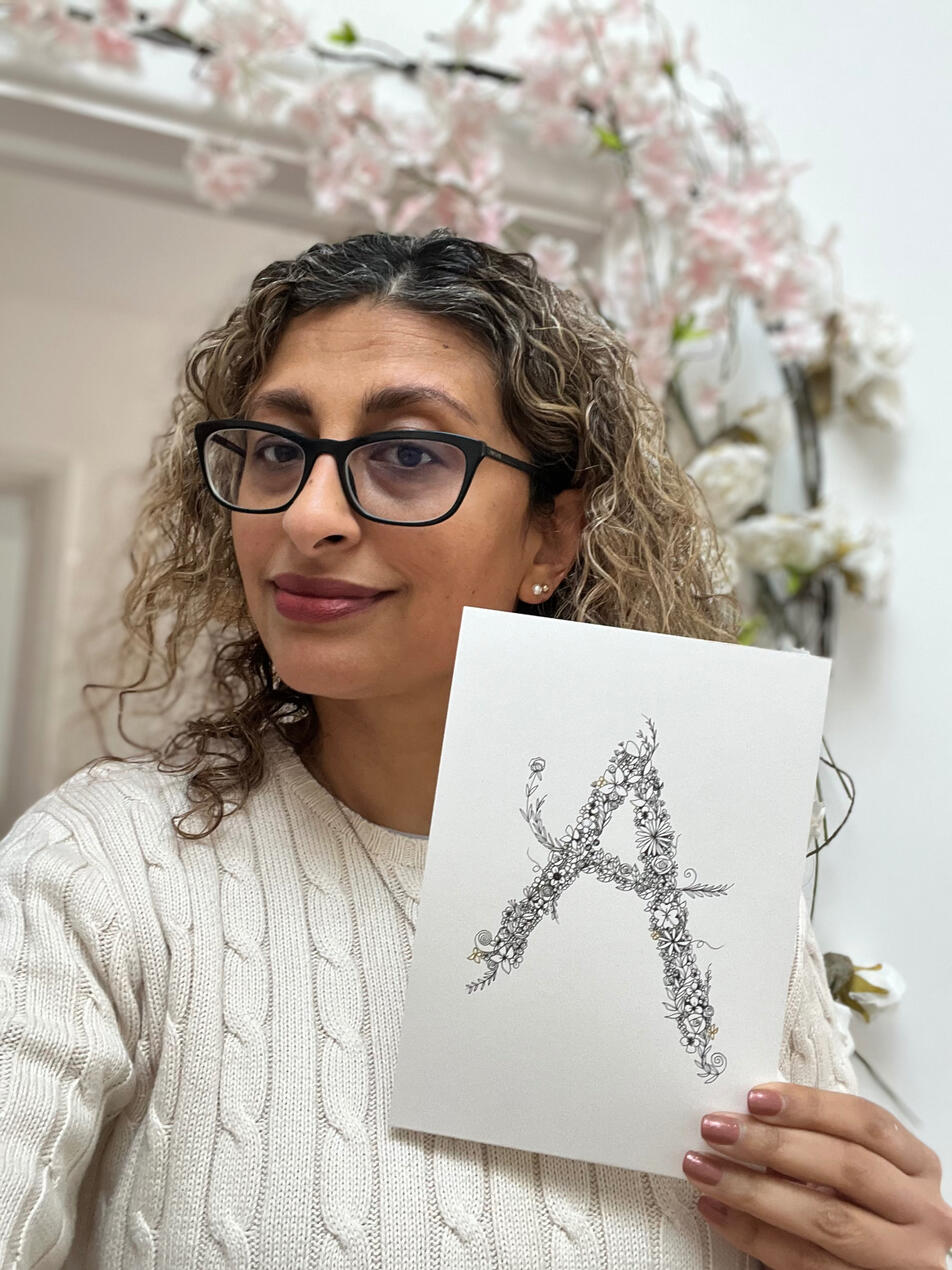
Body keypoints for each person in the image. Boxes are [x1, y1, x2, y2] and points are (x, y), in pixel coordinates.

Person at [1, 228, 949, 1270]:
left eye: (409, 455)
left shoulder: (712, 899)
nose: (308, 515)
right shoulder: (101, 871)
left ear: (550, 537)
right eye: (276, 449)